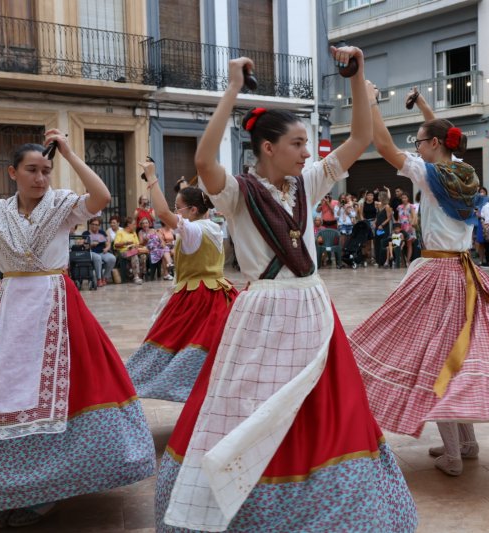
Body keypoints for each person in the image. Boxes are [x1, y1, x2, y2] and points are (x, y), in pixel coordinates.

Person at [157, 49, 417, 532]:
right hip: (263, 311)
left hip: (313, 307)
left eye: (307, 143)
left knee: (323, 406)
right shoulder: (234, 192)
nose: (307, 151)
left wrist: (358, 75)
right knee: (248, 404)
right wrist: (231, 89)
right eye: (298, 143)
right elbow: (203, 158)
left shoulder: (309, 183)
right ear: (268, 147)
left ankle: (328, 504)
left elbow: (360, 136)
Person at [0, 138, 155, 528]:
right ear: (12, 173)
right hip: (11, 306)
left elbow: (100, 195)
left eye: (45, 170)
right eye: (31, 170)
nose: (40, 177)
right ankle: (7, 484)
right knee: (1, 391)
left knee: (67, 388)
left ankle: (49, 485)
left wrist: (67, 153)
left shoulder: (63, 205)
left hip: (57, 305)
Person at [350, 82, 489, 478]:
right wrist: (422, 106)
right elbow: (439, 132)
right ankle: (466, 444)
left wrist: (370, 103)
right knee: (459, 356)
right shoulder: (465, 173)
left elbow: (384, 146)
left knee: (435, 360)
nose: (415, 147)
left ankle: (453, 454)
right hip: (463, 270)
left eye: (419, 141)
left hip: (437, 273)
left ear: (434, 145)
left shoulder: (430, 174)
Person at [126, 162, 237, 402]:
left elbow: (163, 214)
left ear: (194, 210)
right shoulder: (211, 227)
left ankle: (184, 386)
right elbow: (188, 206)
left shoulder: (195, 230)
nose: (176, 213)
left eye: (180, 208)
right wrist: (184, 187)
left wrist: (152, 179)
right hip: (219, 293)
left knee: (178, 342)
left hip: (197, 298)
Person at [82, 217, 116, 287]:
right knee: (98, 258)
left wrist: (106, 248)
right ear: (90, 225)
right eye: (93, 224)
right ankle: (99, 279)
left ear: (99, 226)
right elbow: (84, 247)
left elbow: (108, 243)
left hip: (102, 252)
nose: (94, 226)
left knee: (112, 258)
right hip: (91, 252)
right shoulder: (85, 233)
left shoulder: (102, 233)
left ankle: (105, 277)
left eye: (96, 225)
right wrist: (91, 244)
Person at [114, 218, 146, 284]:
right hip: (123, 252)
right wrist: (126, 243)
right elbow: (116, 245)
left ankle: (141, 275)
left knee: (143, 256)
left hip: (134, 250)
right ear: (128, 225)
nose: (135, 226)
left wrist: (136, 246)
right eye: (134, 224)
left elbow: (137, 244)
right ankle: (136, 277)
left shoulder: (133, 233)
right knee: (134, 255)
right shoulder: (120, 232)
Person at [397, 192, 418, 267]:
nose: (404, 199)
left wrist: (411, 225)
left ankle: (408, 261)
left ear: (408, 198)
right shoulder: (399, 207)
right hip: (401, 228)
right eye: (402, 198)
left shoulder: (411, 206)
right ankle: (402, 260)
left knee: (409, 245)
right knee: (399, 243)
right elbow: (398, 219)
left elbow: (414, 216)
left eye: (405, 198)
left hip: (409, 227)